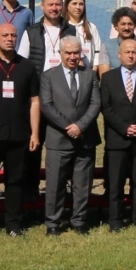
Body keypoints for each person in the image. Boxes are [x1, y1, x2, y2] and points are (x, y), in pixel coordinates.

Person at [0, 22, 41, 238]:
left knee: (15, 181)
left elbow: (34, 101)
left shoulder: (26, 66)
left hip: (19, 133)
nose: (10, 39)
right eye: (5, 35)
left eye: (13, 35)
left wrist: (35, 132)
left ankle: (13, 224)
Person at [100, 35, 136, 232]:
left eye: (135, 52)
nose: (131, 56)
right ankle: (115, 220)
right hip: (118, 138)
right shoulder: (108, 78)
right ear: (119, 54)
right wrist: (125, 127)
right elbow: (106, 108)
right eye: (127, 52)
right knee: (115, 182)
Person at [40, 35, 99, 235]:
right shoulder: (48, 76)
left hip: (85, 138)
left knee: (82, 184)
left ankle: (79, 221)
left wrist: (80, 126)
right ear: (60, 53)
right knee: (55, 184)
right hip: (58, 138)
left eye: (76, 53)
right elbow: (47, 106)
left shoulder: (90, 75)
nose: (72, 57)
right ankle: (53, 223)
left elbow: (95, 103)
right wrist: (68, 127)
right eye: (68, 53)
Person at [18, 0, 69, 72]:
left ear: (62, 6)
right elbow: (22, 61)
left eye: (58, 4)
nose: (54, 8)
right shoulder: (31, 32)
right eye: (50, 4)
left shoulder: (71, 30)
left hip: (65, 79)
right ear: (42, 6)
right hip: (38, 79)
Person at [61, 0, 108, 74]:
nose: (78, 7)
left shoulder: (91, 27)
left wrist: (94, 70)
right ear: (67, 6)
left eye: (81, 4)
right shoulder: (62, 27)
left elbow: (97, 50)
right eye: (74, 4)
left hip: (89, 71)